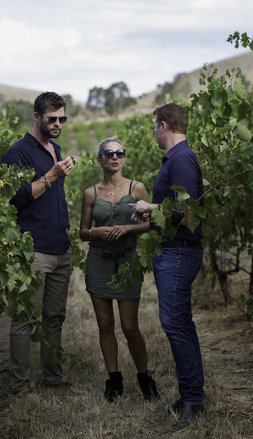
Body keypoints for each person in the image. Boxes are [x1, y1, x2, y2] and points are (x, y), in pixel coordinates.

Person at [130, 103, 206, 428]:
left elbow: (187, 211)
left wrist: (151, 205)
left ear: (163, 125)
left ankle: (194, 400)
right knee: (179, 324)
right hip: (173, 252)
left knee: (176, 325)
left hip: (179, 253)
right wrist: (151, 211)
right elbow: (172, 208)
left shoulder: (182, 159)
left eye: (153, 125)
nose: (152, 132)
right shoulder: (177, 158)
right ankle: (191, 395)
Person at [1, 91, 74, 395]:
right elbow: (15, 198)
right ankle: (19, 385)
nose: (57, 123)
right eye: (52, 119)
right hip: (32, 249)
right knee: (24, 319)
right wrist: (52, 175)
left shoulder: (54, 148)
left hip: (60, 247)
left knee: (54, 317)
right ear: (36, 118)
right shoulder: (18, 152)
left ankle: (53, 378)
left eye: (62, 118)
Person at [79, 137, 159, 403]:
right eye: (109, 153)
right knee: (104, 324)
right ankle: (114, 380)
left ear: (124, 158)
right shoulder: (90, 193)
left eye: (119, 153)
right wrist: (95, 232)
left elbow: (151, 224)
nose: (115, 157)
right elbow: (83, 232)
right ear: (99, 159)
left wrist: (128, 228)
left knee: (129, 326)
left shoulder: (137, 188)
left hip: (127, 262)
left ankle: (144, 377)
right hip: (99, 261)